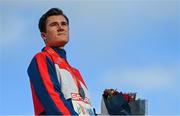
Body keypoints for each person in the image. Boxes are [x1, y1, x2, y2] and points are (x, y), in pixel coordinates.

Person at [27, 8, 95, 115]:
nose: (60, 27)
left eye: (64, 24)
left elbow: (88, 108)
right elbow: (52, 100)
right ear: (44, 35)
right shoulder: (42, 58)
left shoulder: (76, 72)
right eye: (54, 24)